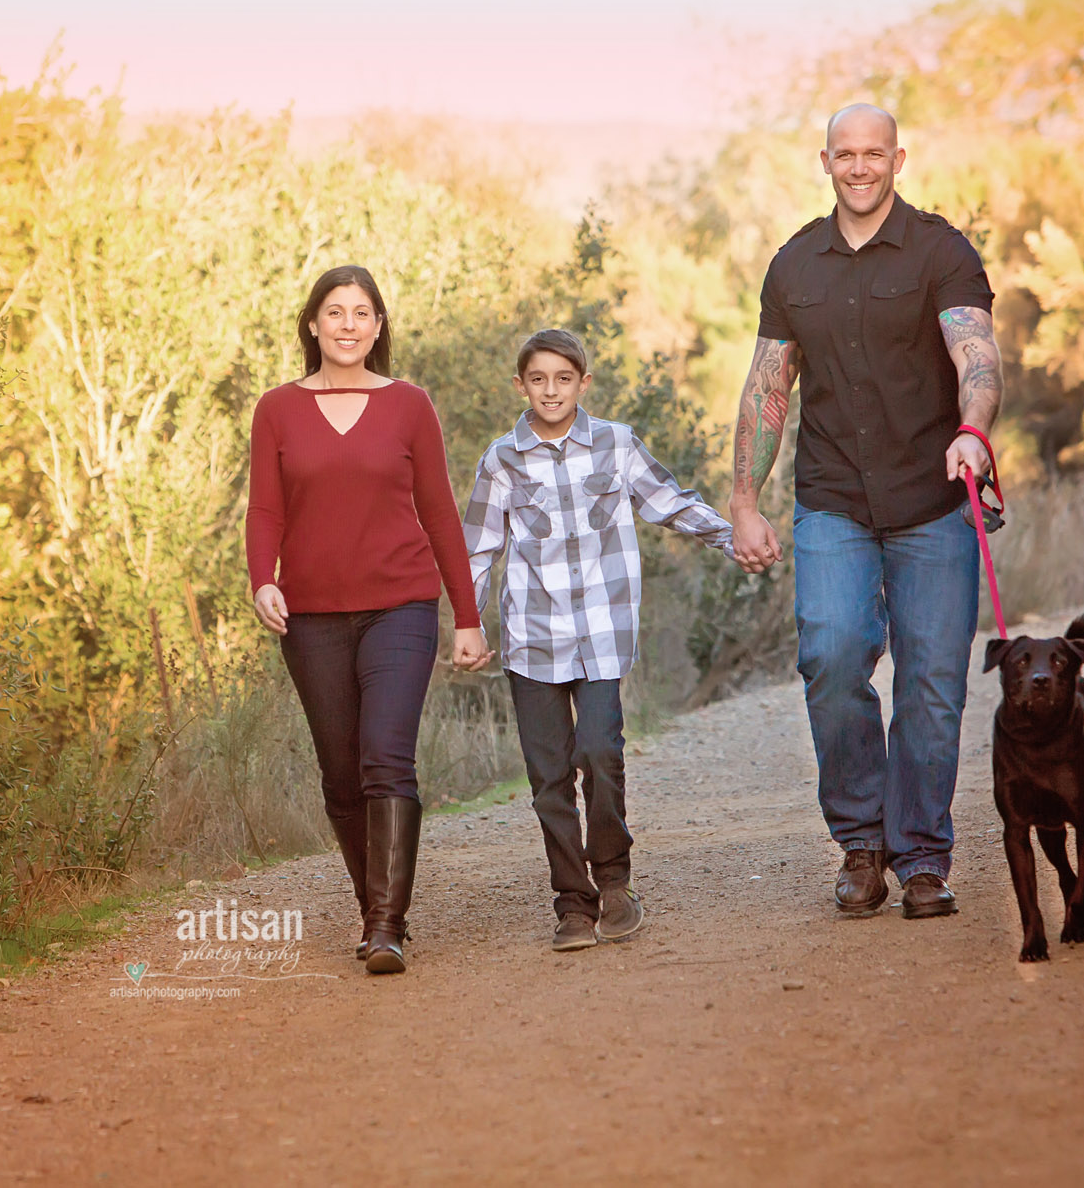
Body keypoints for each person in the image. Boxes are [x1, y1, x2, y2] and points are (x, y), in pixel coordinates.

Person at [728, 104, 1004, 921]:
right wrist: (744, 500)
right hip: (834, 501)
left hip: (932, 499)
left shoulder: (940, 251)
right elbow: (767, 388)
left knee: (931, 682)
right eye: (845, 154)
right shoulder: (795, 264)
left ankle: (921, 855)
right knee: (834, 654)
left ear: (898, 159)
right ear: (824, 161)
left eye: (873, 153)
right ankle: (861, 841)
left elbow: (976, 356)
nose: (859, 166)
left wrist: (973, 430)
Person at [245, 265, 491, 975]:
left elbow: (441, 513)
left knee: (387, 757)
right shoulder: (277, 408)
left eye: (362, 313)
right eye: (335, 312)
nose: (348, 324)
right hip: (312, 616)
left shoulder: (409, 404)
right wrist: (264, 579)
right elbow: (266, 508)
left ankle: (387, 924)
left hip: (400, 607)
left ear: (379, 327)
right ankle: (370, 904)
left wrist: (465, 616)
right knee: (341, 774)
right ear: (313, 325)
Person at [461, 329, 739, 952]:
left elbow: (668, 501)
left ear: (583, 383)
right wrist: (466, 622)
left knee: (599, 754)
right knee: (548, 775)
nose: (551, 390)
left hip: (603, 634)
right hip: (533, 638)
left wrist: (729, 536)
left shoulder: (615, 443)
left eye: (564, 379)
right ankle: (572, 902)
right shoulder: (502, 458)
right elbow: (477, 548)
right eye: (538, 379)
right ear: (521, 385)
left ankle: (614, 879)